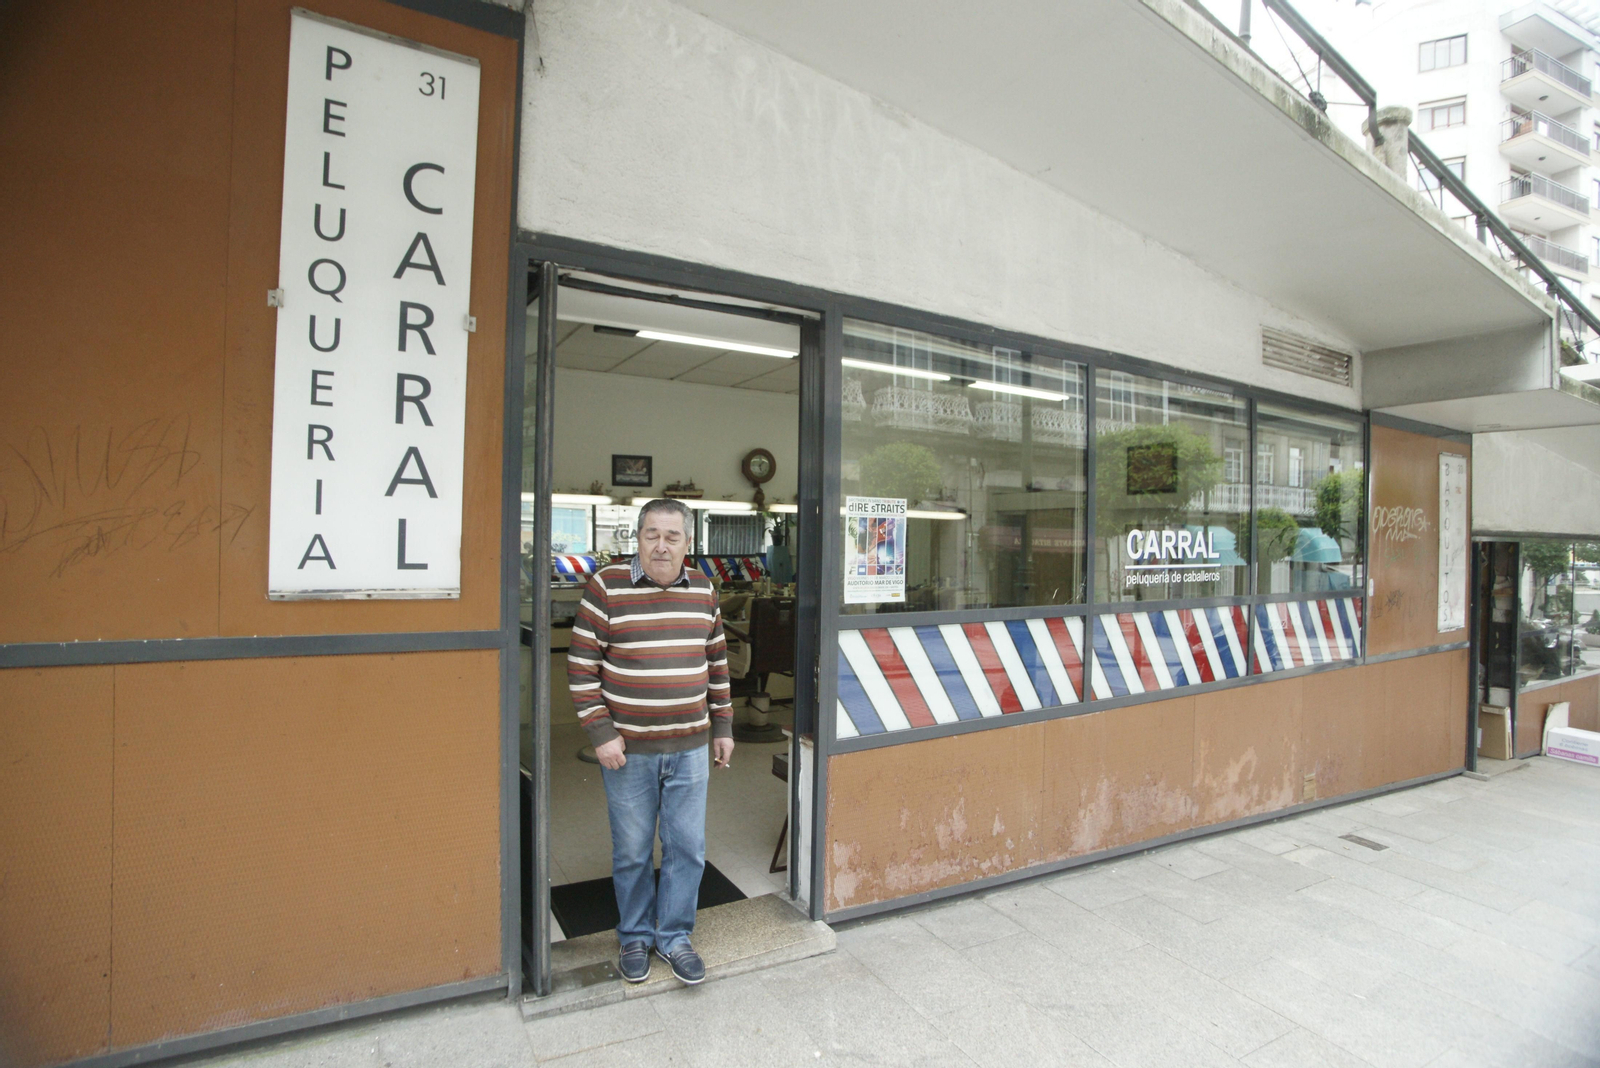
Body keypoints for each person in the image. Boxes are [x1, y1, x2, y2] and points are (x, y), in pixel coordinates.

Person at [566, 498, 733, 984]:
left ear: (687, 542)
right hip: (628, 751)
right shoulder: (607, 587)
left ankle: (675, 936)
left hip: (690, 748)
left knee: (687, 848)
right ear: (637, 538)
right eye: (651, 535)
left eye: (672, 536)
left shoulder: (704, 589)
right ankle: (635, 935)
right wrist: (601, 733)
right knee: (634, 851)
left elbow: (717, 664)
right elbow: (581, 666)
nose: (661, 545)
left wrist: (722, 725)